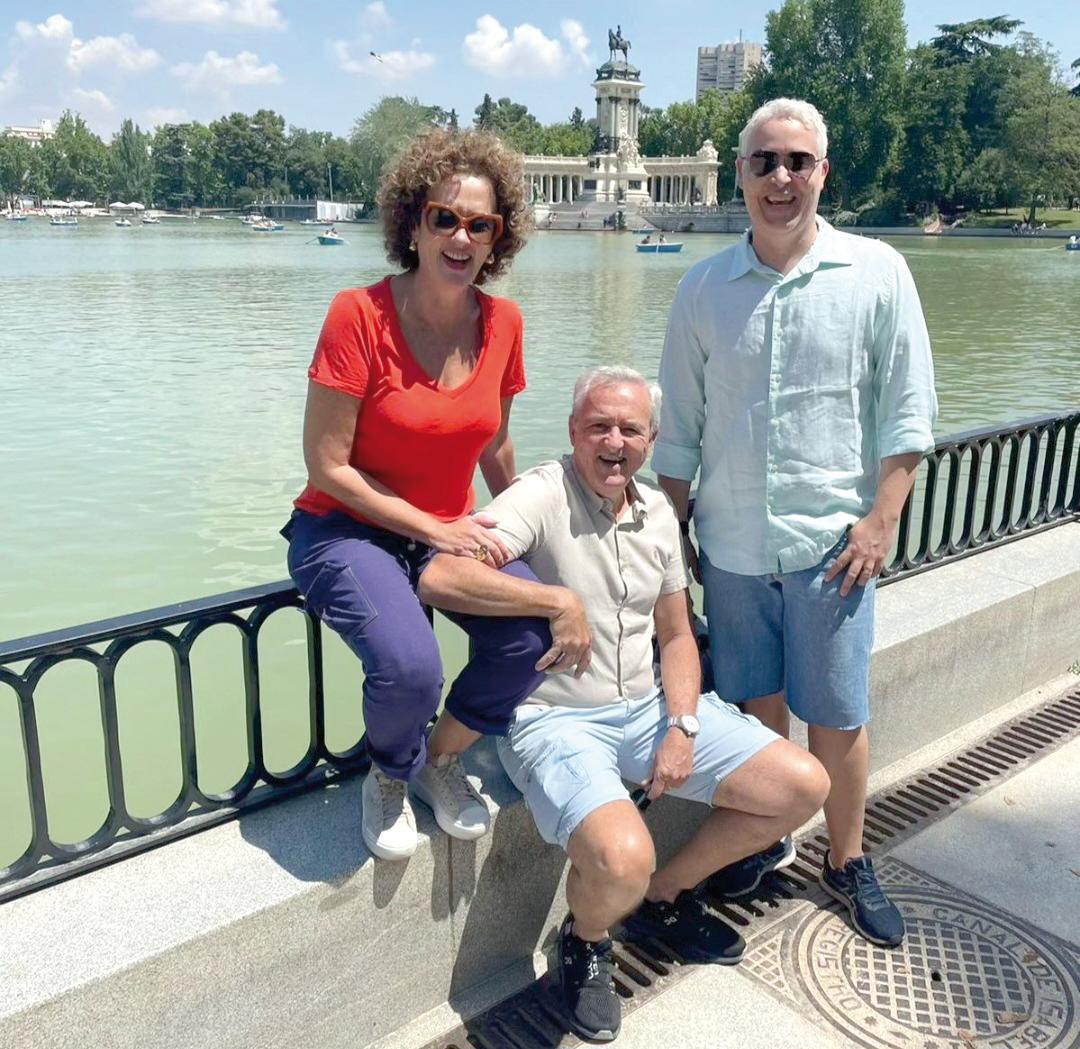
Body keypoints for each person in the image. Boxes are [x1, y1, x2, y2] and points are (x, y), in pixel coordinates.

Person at [418, 366, 830, 1042]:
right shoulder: (541, 494)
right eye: (598, 426)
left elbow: (675, 635)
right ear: (573, 432)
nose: (614, 442)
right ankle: (586, 939)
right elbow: (441, 572)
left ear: (652, 439)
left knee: (802, 784)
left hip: (648, 708)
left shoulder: (660, 511)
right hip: (556, 718)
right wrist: (554, 600)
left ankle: (664, 898)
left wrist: (683, 724)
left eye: (630, 429)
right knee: (618, 857)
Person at [654, 98, 937, 949]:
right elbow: (679, 432)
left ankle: (848, 858)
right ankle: (765, 834)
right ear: (740, 174)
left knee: (840, 717)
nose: (781, 178)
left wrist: (881, 520)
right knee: (754, 710)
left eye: (798, 162)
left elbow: (909, 412)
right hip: (734, 546)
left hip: (834, 546)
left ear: (824, 172)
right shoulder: (701, 286)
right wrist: (672, 542)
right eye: (765, 161)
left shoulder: (879, 272)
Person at [283, 129, 584, 862]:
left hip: (443, 532)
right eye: (443, 217)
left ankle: (436, 761)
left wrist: (533, 539)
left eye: (478, 224)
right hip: (344, 528)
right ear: (412, 223)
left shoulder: (504, 323)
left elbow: (494, 444)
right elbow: (327, 466)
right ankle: (388, 772)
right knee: (412, 666)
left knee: (529, 635)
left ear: (497, 240)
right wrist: (435, 527)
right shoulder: (358, 315)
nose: (459, 235)